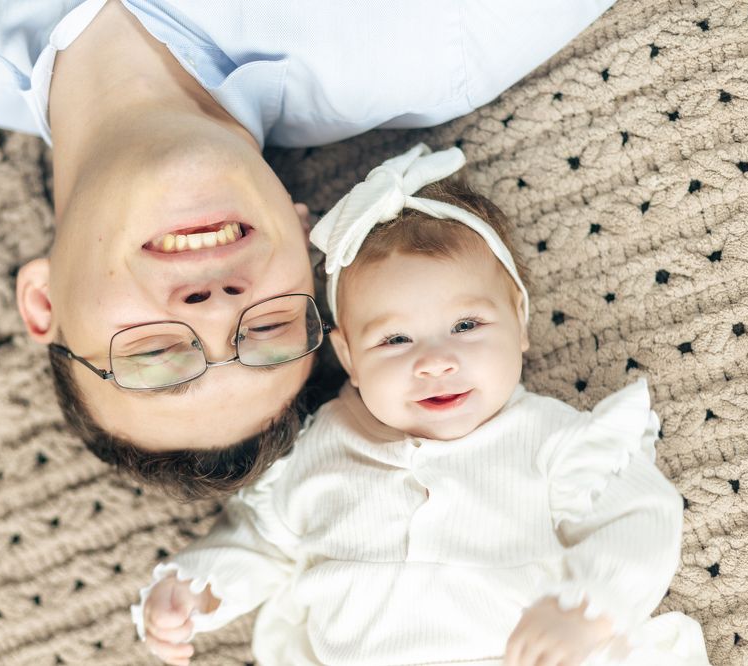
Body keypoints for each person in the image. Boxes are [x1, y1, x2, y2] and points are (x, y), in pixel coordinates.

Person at [0, 0, 617, 498]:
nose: (216, 307)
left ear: (42, 301)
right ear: (302, 236)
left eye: (153, 354)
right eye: (268, 329)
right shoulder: (436, 41)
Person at [131, 145, 712, 665]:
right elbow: (260, 541)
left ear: (520, 323)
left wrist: (588, 608)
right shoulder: (318, 448)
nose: (435, 361)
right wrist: (197, 587)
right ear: (349, 357)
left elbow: (640, 517)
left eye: (466, 325)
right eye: (395, 340)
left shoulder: (549, 440)